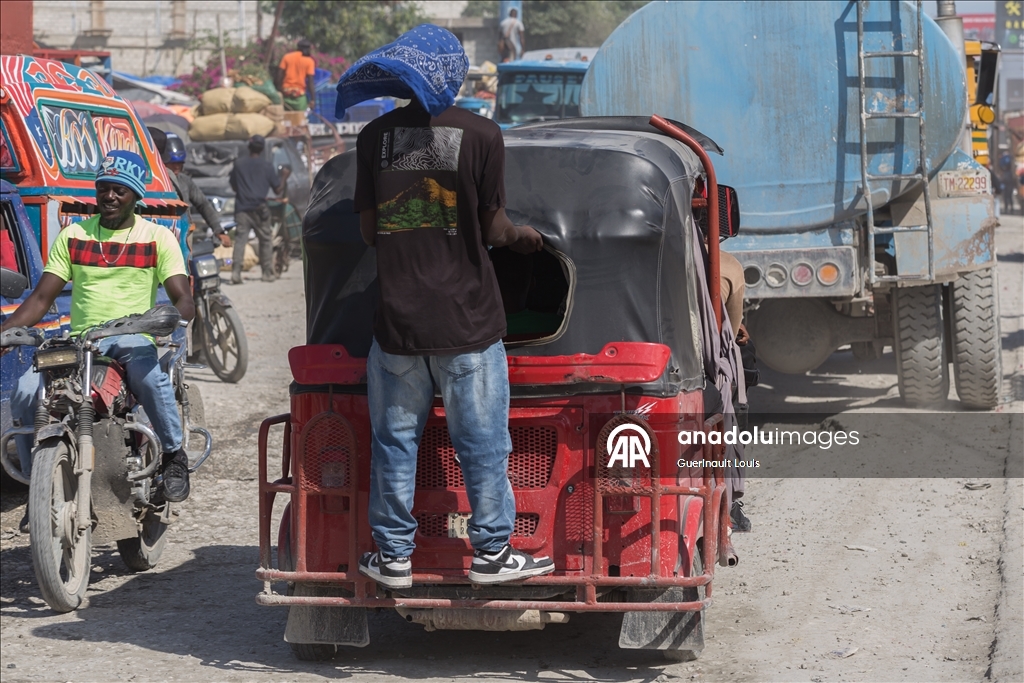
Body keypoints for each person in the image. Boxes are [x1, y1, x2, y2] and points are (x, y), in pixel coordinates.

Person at [337, 25, 552, 587]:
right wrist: (523, 237)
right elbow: (494, 228)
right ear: (453, 74)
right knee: (482, 444)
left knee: (394, 444)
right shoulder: (483, 134)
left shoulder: (374, 138)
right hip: (468, 324)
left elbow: (367, 232)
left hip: (398, 326)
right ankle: (492, 556)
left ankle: (393, 559)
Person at [3, 151, 196, 518]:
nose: (109, 196)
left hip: (132, 335)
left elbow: (183, 298)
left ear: (136, 196)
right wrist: (6, 332)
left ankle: (173, 454)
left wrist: (167, 318)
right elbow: (41, 297)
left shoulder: (157, 238)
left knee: (150, 379)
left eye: (119, 190)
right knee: (27, 393)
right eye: (104, 188)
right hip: (80, 340)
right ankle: (38, 487)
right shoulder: (73, 236)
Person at [148, 128, 231, 250]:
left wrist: (218, 230)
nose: (176, 167)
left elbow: (203, 204)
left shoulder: (185, 181)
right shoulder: (152, 180)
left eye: (180, 163)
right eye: (172, 164)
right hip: (158, 238)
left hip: (183, 238)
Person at [228, 135, 290, 284]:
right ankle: (267, 273)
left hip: (242, 208)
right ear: (262, 149)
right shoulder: (267, 166)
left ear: (249, 147)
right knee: (266, 240)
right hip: (260, 209)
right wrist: (284, 177)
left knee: (240, 241)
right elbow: (277, 190)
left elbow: (234, 186)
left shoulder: (239, 164)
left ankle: (236, 273)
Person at [276, 39, 316, 112]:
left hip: (286, 93)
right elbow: (310, 82)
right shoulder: (309, 61)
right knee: (300, 119)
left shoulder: (287, 57)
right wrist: (313, 99)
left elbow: (279, 75)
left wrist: (279, 89)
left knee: (287, 119)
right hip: (299, 96)